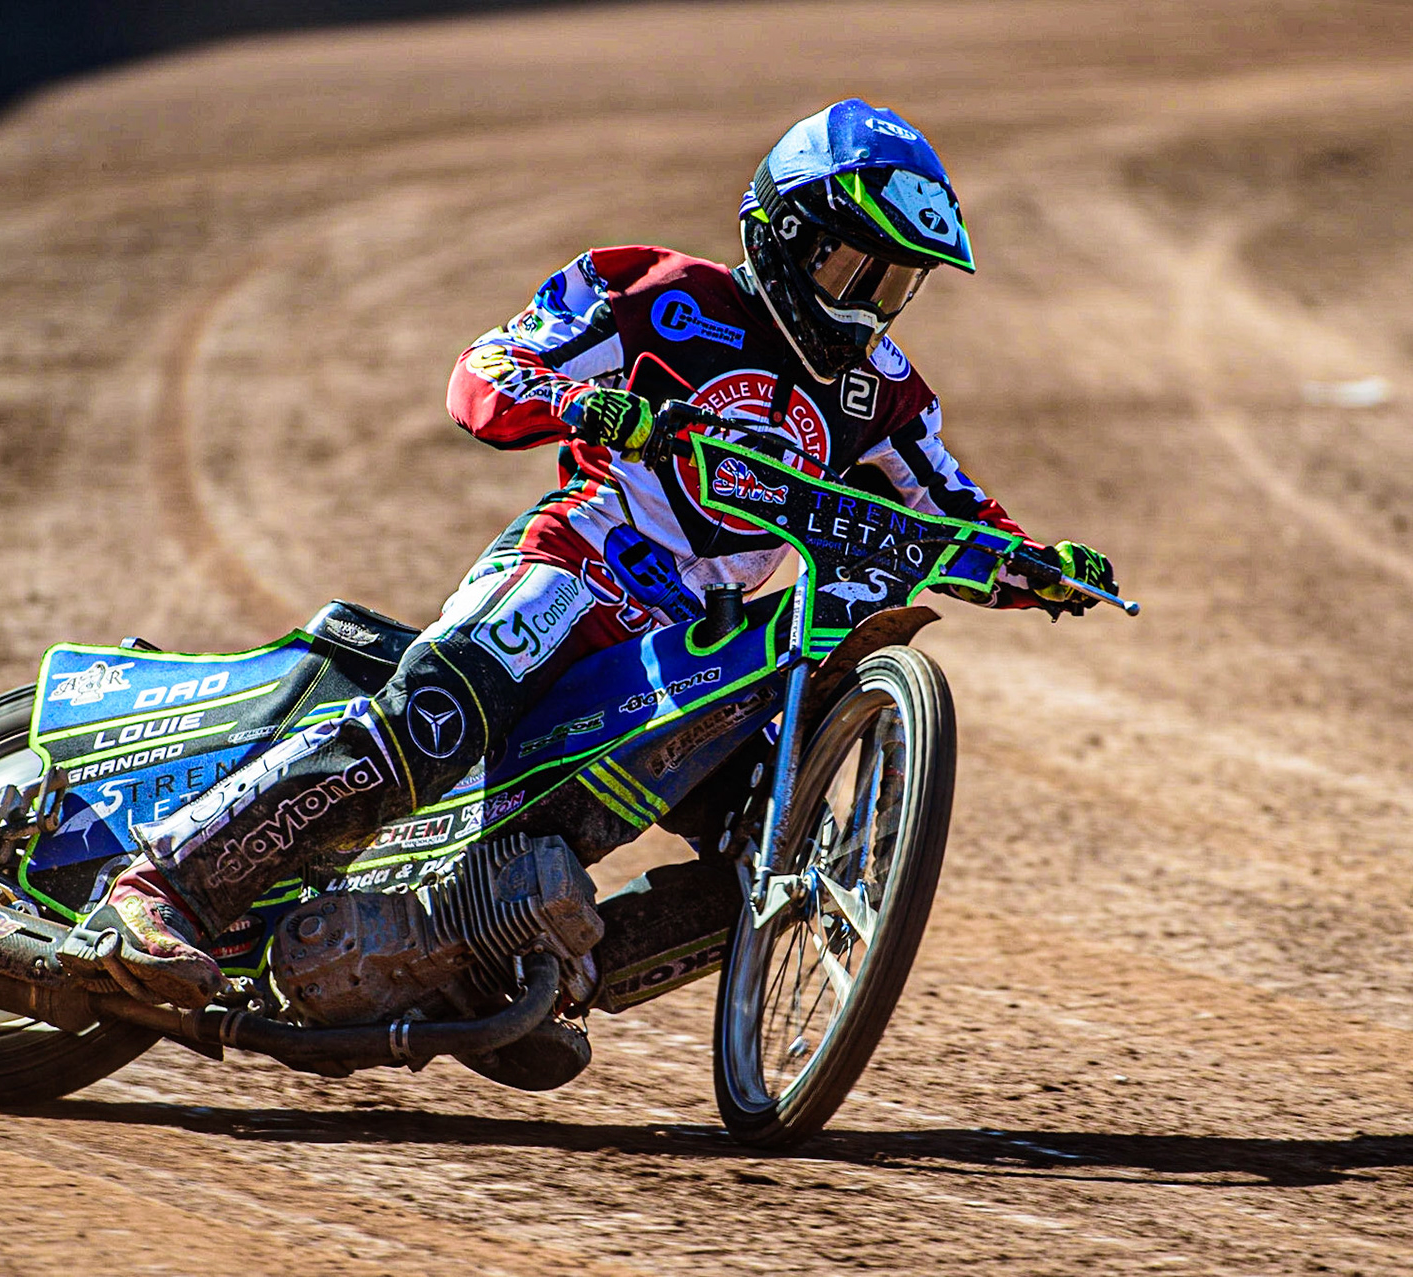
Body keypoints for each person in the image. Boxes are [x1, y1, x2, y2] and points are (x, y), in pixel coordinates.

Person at [83, 97, 1117, 1009]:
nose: (868, 308)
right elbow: (486, 370)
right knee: (436, 716)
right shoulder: (655, 291)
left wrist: (1039, 567)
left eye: (895, 288)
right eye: (854, 270)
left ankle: (500, 969)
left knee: (774, 837)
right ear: (785, 237)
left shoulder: (882, 391)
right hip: (580, 564)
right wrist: (590, 405)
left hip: (699, 645)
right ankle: (167, 883)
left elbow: (955, 508)